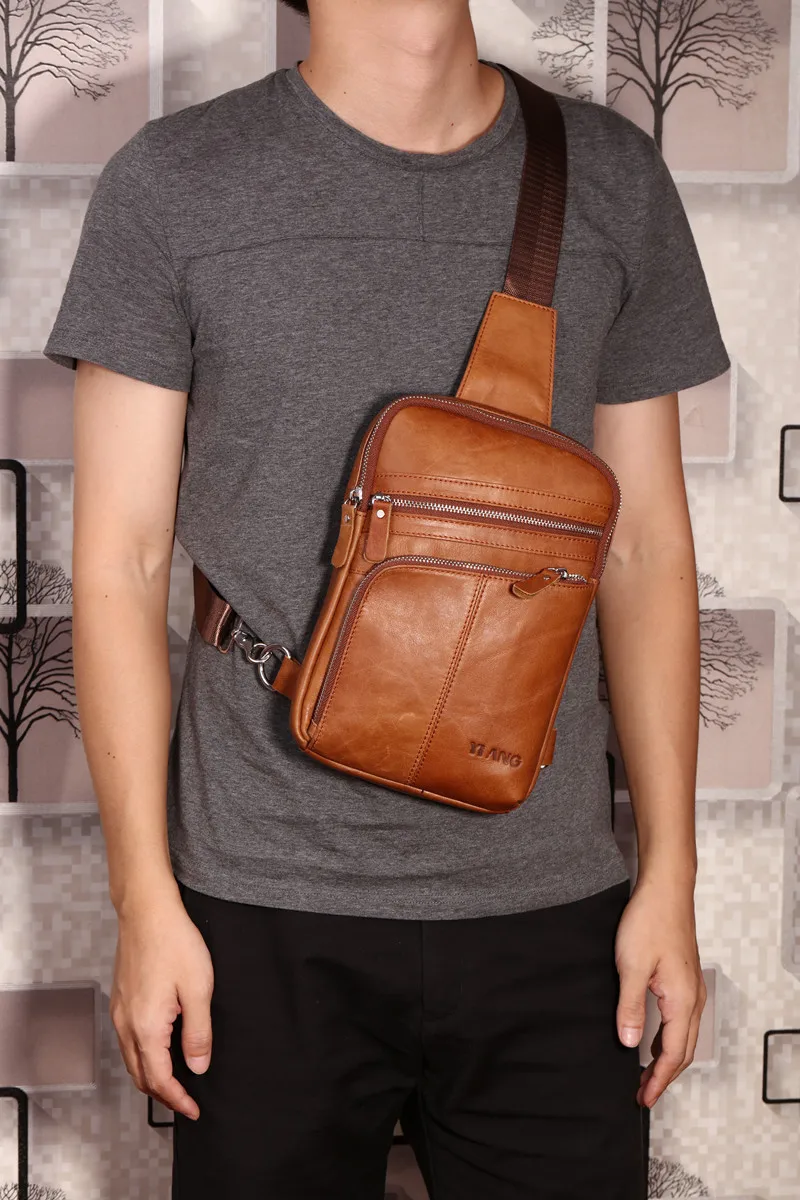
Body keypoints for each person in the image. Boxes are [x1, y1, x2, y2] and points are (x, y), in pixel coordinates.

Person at [44, 1, 730, 1196]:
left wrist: (668, 877)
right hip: (254, 904)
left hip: (553, 903)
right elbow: (120, 562)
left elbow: (643, 553)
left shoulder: (611, 175)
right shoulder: (174, 181)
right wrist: (142, 900)